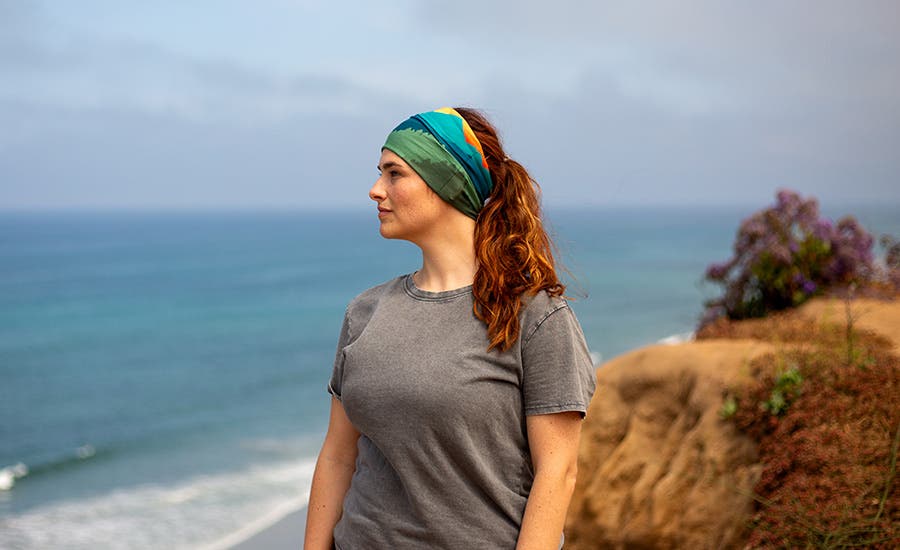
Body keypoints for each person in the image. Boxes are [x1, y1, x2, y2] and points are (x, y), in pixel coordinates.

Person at [304, 107, 597, 550]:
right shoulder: (364, 312)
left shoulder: (535, 317)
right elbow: (338, 456)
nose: (375, 190)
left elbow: (557, 474)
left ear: (446, 183)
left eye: (394, 173)